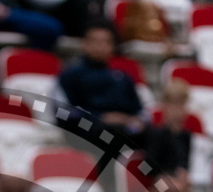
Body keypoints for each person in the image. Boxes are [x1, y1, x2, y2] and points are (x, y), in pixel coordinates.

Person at [57, 19, 148, 148]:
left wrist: (136, 121)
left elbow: (140, 111)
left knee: (159, 134)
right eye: (96, 42)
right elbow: (63, 111)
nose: (101, 47)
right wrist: (100, 117)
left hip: (124, 128)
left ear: (112, 46)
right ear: (85, 44)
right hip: (87, 129)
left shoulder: (122, 77)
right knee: (109, 132)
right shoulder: (71, 75)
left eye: (106, 42)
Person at [144, 78, 193, 192]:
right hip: (159, 185)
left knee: (185, 188)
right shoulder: (156, 133)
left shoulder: (185, 136)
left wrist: (183, 173)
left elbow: (184, 163)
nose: (178, 111)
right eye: (174, 105)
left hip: (178, 185)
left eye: (182, 105)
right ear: (165, 106)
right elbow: (148, 167)